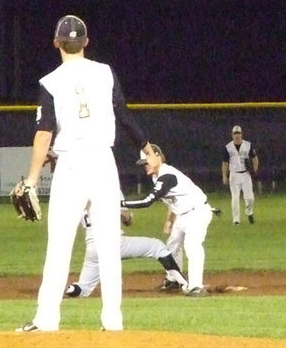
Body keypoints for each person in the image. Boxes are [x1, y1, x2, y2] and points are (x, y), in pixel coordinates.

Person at [17, 15, 149, 332]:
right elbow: (123, 112)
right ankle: (113, 321)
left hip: (72, 166)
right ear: (86, 43)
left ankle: (47, 320)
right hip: (104, 163)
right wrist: (145, 145)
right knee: (108, 243)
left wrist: (32, 179)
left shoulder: (50, 82)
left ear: (56, 43)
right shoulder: (105, 73)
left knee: (60, 245)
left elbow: (44, 135)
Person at [123, 143, 216, 297]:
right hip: (183, 214)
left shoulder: (167, 176)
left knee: (192, 245)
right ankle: (174, 279)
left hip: (197, 212)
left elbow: (146, 202)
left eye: (147, 162)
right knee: (172, 245)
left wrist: (120, 203)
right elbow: (173, 200)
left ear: (158, 156)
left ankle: (197, 286)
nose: (145, 166)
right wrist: (169, 220)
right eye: (143, 163)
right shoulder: (156, 176)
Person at [65, 201, 189, 298]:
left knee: (83, 289)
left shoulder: (81, 199)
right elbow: (126, 219)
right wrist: (128, 217)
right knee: (157, 246)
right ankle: (184, 284)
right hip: (113, 244)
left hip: (92, 248)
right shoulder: (109, 189)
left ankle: (69, 289)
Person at [221, 124, 260, 225]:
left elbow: (254, 157)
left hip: (246, 174)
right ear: (232, 135)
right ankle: (236, 220)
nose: (237, 135)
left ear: (241, 134)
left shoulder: (248, 145)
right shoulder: (228, 147)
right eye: (235, 133)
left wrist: (255, 168)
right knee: (235, 198)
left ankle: (249, 211)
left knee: (250, 198)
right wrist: (224, 175)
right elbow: (225, 162)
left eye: (238, 133)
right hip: (234, 175)